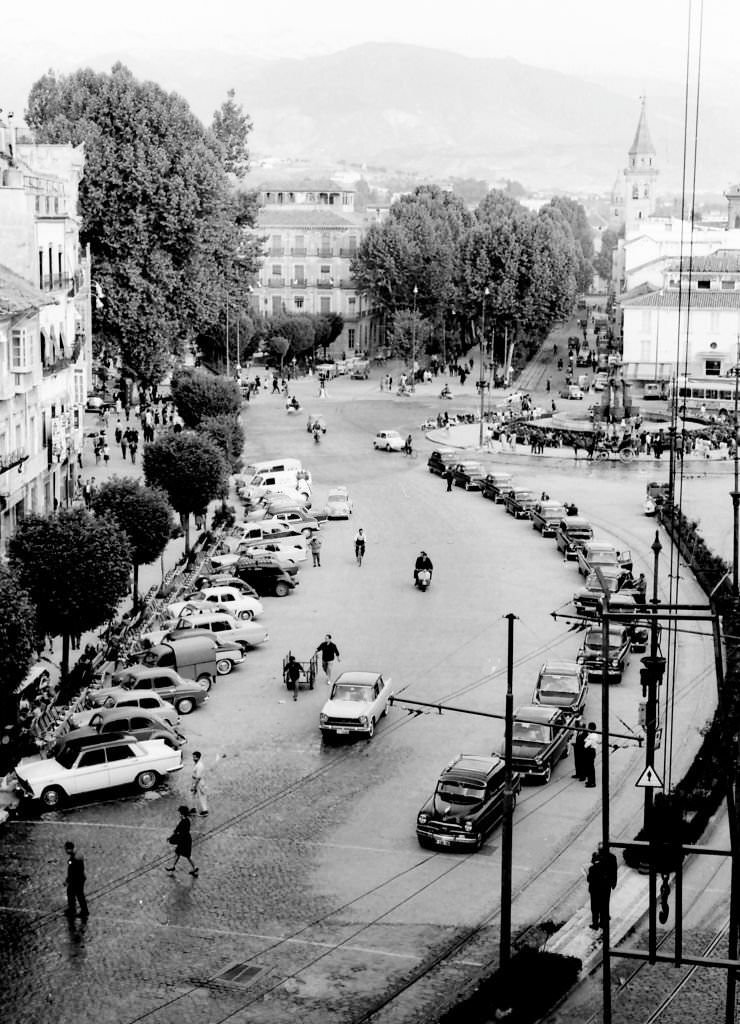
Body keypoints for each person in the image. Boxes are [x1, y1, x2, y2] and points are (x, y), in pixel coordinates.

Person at [166, 806, 198, 876]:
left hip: (183, 841)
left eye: (180, 813)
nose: (179, 814)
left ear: (182, 814)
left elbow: (176, 831)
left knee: (180, 854)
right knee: (183, 854)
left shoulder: (182, 822)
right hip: (187, 839)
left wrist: (170, 838)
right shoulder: (187, 821)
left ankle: (173, 867)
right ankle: (194, 868)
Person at [64, 841, 88, 919]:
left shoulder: (74, 858)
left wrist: (68, 880)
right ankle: (82, 910)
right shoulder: (77, 855)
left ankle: (74, 910)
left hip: (76, 880)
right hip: (80, 878)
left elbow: (72, 871)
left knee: (72, 894)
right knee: (79, 895)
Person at [587, 852, 608, 929]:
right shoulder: (605, 868)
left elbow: (589, 879)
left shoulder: (592, 869)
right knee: (603, 907)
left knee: (595, 909)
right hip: (603, 890)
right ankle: (602, 923)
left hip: (594, 891)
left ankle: (595, 924)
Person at [190, 751, 208, 816]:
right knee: (193, 796)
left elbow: (198, 778)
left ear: (198, 757)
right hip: (195, 782)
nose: (193, 758)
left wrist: (194, 786)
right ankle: (193, 809)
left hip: (199, 783)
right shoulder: (197, 764)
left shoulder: (199, 766)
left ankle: (205, 811)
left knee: (202, 797)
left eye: (194, 757)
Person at [584, 722, 599, 788]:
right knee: (590, 767)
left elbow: (586, 744)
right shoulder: (595, 735)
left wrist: (586, 741)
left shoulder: (592, 736)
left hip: (590, 751)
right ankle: (590, 781)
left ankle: (591, 783)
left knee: (590, 768)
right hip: (592, 751)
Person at [571, 716, 586, 780]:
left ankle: (582, 776)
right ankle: (578, 774)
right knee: (577, 762)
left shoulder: (585, 733)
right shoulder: (577, 732)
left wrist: (576, 744)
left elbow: (583, 742)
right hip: (576, 748)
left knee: (582, 763)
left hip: (581, 749)